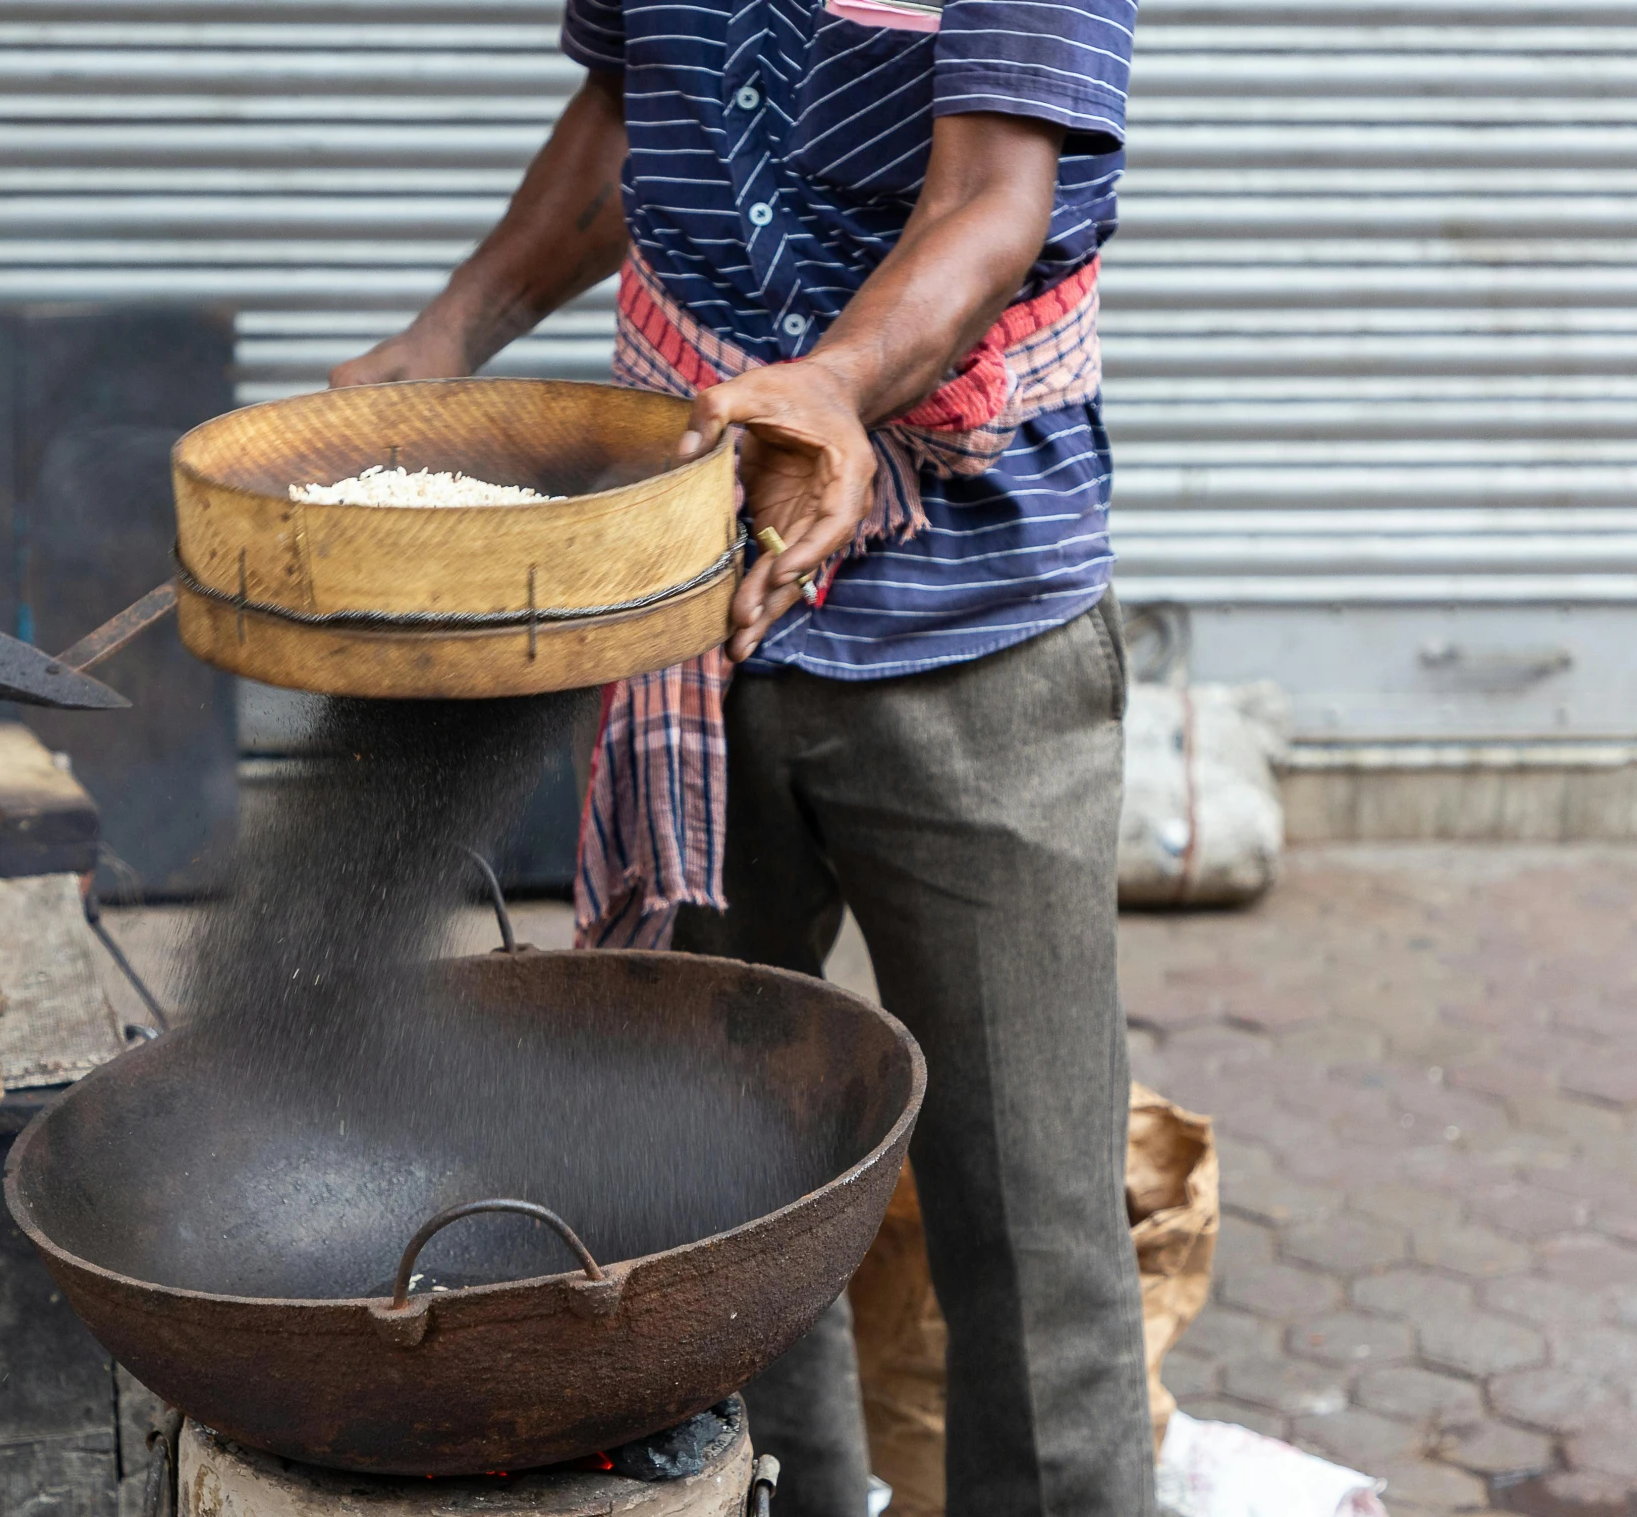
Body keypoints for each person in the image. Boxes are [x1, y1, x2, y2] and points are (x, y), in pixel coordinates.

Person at [329, 2, 1152, 1513]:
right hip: (688, 593)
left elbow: (991, 195)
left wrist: (831, 385)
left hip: (972, 634)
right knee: (707, 1207)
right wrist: (448, 337)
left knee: (1029, 1227)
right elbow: (629, 109)